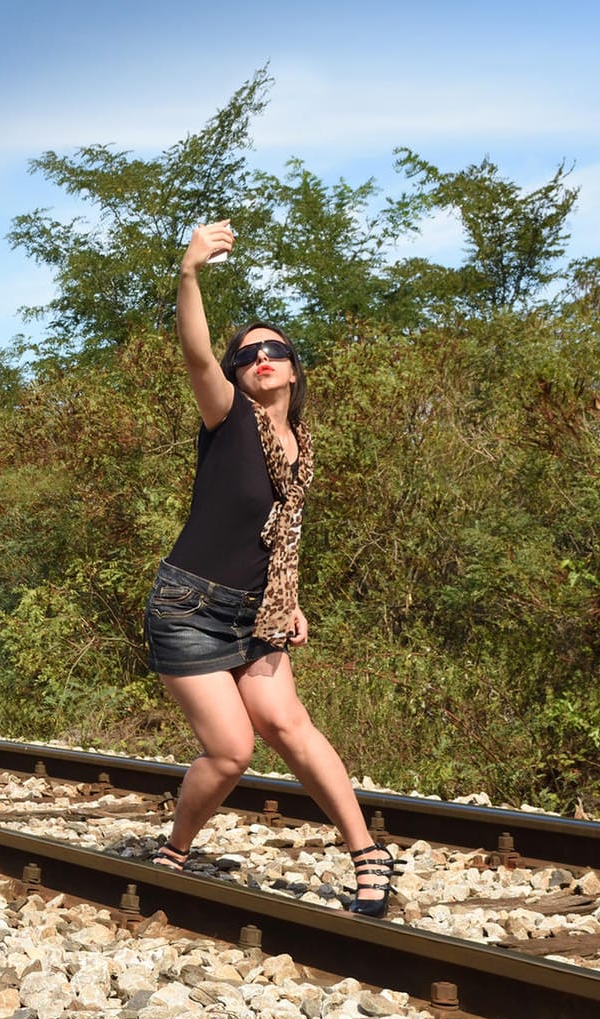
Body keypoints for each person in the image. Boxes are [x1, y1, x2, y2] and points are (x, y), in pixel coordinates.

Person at [141, 219, 401, 918]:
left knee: (291, 725)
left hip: (256, 610)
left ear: (292, 367)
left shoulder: (300, 442)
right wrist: (189, 273)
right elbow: (197, 356)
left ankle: (367, 853)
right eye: (247, 351)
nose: (259, 356)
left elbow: (280, 533)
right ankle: (175, 850)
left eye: (273, 349)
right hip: (189, 608)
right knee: (232, 753)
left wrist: (289, 598)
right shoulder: (226, 418)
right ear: (236, 371)